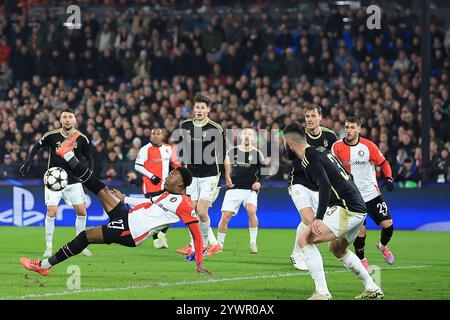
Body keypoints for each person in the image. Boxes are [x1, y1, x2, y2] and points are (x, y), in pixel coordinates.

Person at [19, 132, 212, 276]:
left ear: (180, 183)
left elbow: (196, 232)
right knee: (100, 188)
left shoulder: (185, 204)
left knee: (86, 236)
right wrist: (125, 199)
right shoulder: (166, 194)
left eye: (171, 175)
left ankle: (44, 266)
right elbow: (147, 202)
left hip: (131, 231)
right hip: (128, 216)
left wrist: (199, 261)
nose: (168, 176)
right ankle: (67, 155)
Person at [283, 122, 383, 300]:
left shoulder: (309, 158)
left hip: (347, 208)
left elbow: (325, 186)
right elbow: (348, 176)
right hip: (358, 207)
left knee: (305, 238)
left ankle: (322, 293)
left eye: (284, 141)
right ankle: (372, 287)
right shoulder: (322, 151)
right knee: (337, 249)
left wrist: (319, 217)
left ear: (290, 141)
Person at [19, 108, 93, 258]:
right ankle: (48, 246)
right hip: (54, 181)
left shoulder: (82, 138)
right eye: (64, 117)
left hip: (73, 181)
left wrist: (90, 173)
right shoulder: (51, 136)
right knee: (51, 212)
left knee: (82, 211)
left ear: (74, 120)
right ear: (60, 120)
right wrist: (27, 162)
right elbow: (37, 147)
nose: (67, 119)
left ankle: (80, 245)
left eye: (69, 117)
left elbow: (89, 157)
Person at [332, 117, 395, 270]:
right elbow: (331, 168)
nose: (348, 130)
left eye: (352, 127)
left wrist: (389, 178)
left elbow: (383, 163)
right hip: (352, 197)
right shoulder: (337, 147)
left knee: (388, 226)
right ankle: (362, 258)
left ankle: (382, 245)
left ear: (359, 129)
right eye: (347, 127)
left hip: (371, 194)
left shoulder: (368, 146)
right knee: (360, 234)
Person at [177, 93, 226, 259]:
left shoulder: (215, 128)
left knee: (202, 211)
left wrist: (224, 176)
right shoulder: (185, 126)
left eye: (202, 107)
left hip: (210, 175)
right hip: (192, 175)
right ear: (193, 109)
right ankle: (196, 244)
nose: (199, 110)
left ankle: (202, 244)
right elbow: (183, 150)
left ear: (208, 110)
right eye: (197, 107)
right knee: (192, 211)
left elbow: (222, 153)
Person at [289, 104, 337, 270]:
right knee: (309, 219)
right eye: (307, 116)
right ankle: (298, 254)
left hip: (318, 186)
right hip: (299, 181)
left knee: (311, 221)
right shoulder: (299, 135)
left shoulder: (330, 136)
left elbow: (333, 159)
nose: (309, 119)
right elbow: (291, 157)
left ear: (320, 117)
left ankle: (298, 252)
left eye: (312, 116)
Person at [217, 127, 265, 253]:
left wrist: (259, 183)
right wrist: (227, 179)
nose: (247, 136)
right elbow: (225, 169)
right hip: (234, 189)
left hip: (249, 190)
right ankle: (219, 244)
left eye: (250, 134)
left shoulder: (257, 153)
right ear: (240, 137)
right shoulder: (231, 152)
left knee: (251, 211)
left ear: (253, 138)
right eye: (245, 134)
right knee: (225, 216)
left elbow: (263, 173)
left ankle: (253, 242)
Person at [135, 128, 181, 249]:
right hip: (151, 187)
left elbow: (176, 164)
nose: (155, 136)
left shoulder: (168, 149)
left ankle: (162, 233)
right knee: (154, 214)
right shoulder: (145, 149)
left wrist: (184, 172)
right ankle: (156, 240)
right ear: (150, 136)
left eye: (158, 134)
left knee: (172, 211)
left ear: (162, 136)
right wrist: (151, 176)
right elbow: (137, 166)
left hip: (166, 186)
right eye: (153, 134)